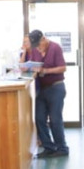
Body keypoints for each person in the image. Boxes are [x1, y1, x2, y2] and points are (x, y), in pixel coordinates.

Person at [28, 29, 69, 158]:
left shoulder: (55, 48)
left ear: (44, 39)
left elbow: (63, 67)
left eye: (39, 45)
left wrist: (46, 70)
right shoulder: (35, 50)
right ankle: (48, 147)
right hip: (42, 89)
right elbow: (34, 64)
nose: (38, 49)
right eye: (36, 47)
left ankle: (62, 148)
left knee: (55, 119)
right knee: (39, 118)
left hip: (56, 87)